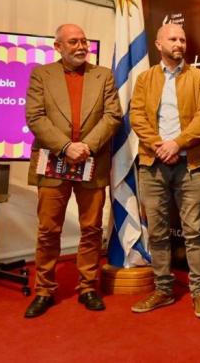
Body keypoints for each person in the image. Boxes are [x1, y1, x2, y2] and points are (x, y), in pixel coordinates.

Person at [24, 24, 122, 318]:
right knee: (48, 230)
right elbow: (35, 117)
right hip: (54, 160)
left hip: (92, 160)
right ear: (58, 46)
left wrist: (86, 147)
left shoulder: (102, 74)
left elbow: (113, 115)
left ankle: (88, 287)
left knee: (91, 229)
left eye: (84, 42)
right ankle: (44, 290)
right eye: (73, 42)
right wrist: (66, 146)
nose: (81, 47)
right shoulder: (41, 74)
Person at [129, 23, 200, 318]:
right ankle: (163, 289)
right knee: (158, 232)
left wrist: (176, 144)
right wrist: (158, 145)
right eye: (173, 38)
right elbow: (137, 115)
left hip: (190, 164)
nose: (179, 43)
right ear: (158, 44)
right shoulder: (145, 79)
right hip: (153, 164)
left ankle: (199, 292)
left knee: (194, 232)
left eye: (182, 38)